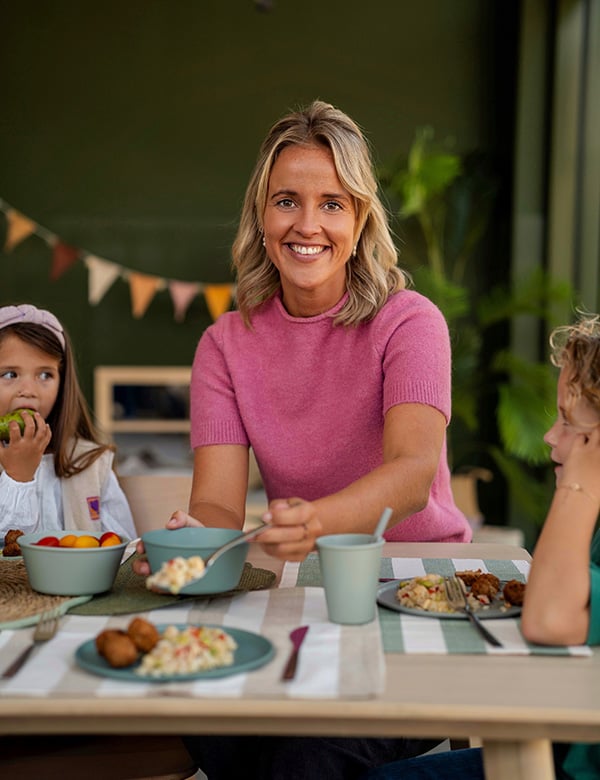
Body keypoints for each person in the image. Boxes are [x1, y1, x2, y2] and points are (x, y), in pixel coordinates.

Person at [132, 99, 470, 779]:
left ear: (361, 219)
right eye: (287, 200)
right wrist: (191, 542)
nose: (307, 224)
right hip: (299, 599)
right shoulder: (225, 344)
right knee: (222, 737)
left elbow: (410, 472)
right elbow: (222, 509)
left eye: (333, 204)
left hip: (413, 592)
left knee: (306, 759)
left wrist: (317, 520)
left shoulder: (410, 323)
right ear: (261, 216)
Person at [359, 311, 600, 780]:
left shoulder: (585, 498)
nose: (550, 437)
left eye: (570, 424)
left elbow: (549, 618)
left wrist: (579, 485)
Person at [0, 303, 135, 540]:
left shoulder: (92, 464)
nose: (29, 390)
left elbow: (122, 550)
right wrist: (18, 479)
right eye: (10, 374)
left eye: (45, 375)